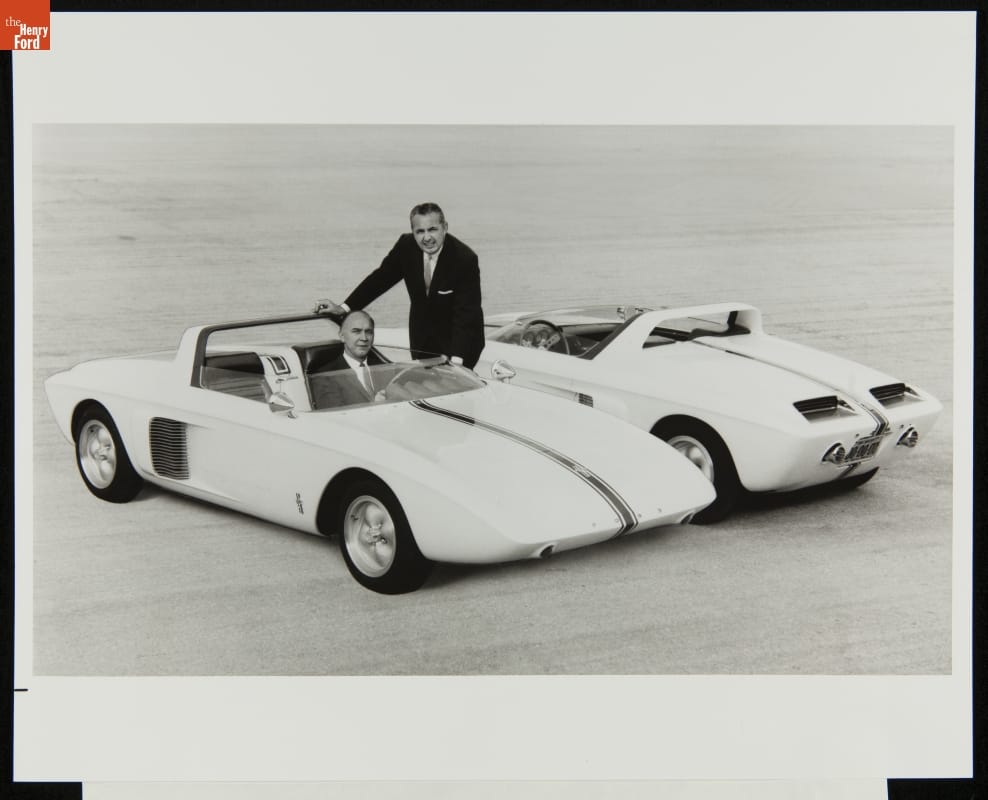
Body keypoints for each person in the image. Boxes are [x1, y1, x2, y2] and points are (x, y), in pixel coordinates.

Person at [314, 202, 485, 369]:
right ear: (413, 231)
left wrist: (457, 362)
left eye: (432, 229)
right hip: (422, 342)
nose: (427, 238)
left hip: (462, 344)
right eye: (420, 231)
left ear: (445, 227)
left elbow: (466, 316)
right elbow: (380, 279)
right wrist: (343, 308)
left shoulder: (464, 259)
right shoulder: (406, 246)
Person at [310, 310, 386, 409]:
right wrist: (376, 406)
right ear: (342, 337)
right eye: (356, 331)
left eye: (368, 332)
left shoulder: (384, 367)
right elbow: (334, 415)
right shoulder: (325, 377)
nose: (364, 338)